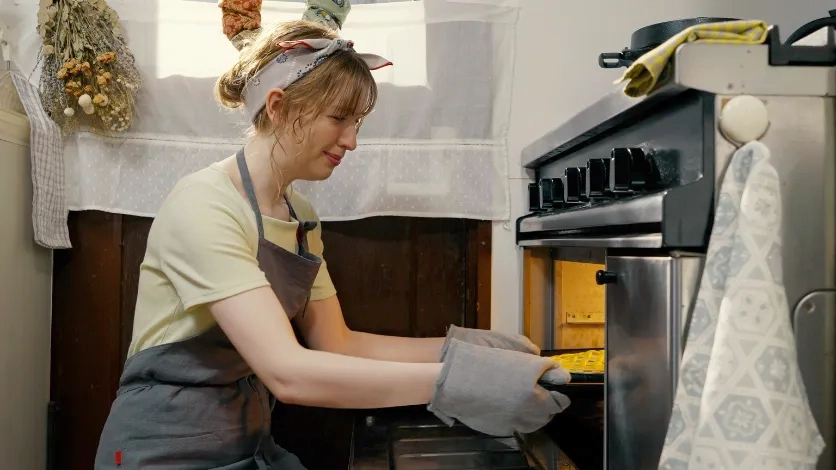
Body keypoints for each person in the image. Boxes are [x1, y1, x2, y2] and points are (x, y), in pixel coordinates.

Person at [93, 17, 571, 470]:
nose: (352, 141)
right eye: (339, 117)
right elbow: (287, 371)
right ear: (278, 107)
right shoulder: (204, 204)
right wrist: (463, 383)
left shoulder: (300, 216)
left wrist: (462, 350)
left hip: (247, 443)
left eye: (357, 122)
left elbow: (337, 343)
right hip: (164, 450)